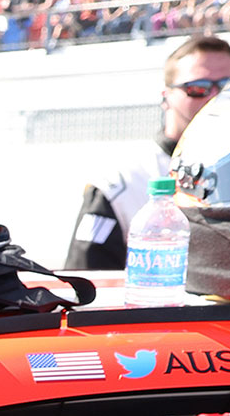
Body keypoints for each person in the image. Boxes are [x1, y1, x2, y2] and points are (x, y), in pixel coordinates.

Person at [64, 34, 230, 269]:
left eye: (226, 87)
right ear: (167, 97)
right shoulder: (121, 183)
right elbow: (88, 286)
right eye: (197, 88)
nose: (215, 98)